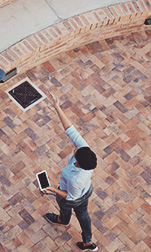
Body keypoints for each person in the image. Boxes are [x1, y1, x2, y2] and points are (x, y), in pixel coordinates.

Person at [43, 92, 99, 251]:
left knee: (67, 206)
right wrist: (57, 107)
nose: (76, 148)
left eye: (76, 151)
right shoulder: (87, 153)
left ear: (78, 163)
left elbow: (71, 196)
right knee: (83, 214)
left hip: (74, 194)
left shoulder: (75, 178)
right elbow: (71, 130)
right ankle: (87, 241)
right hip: (86, 190)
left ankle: (64, 221)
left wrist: (53, 190)